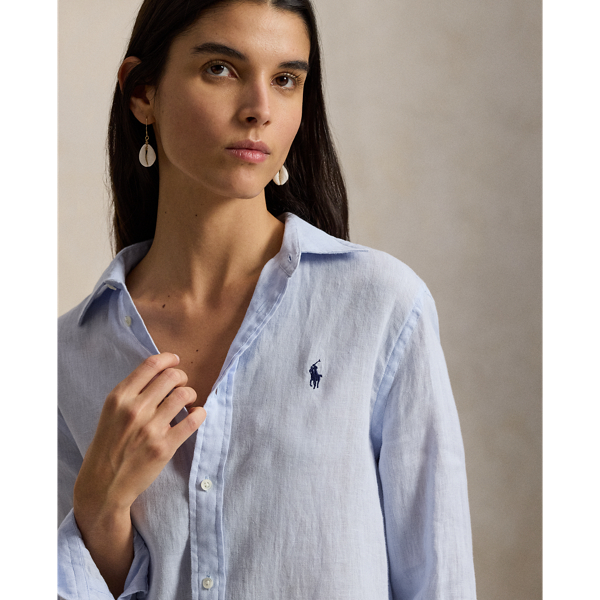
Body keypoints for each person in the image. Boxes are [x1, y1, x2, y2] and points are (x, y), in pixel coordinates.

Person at [57, 0, 477, 598]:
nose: (260, 109)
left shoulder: (382, 308)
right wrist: (100, 513)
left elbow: (440, 581)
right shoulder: (64, 360)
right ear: (142, 92)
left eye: (285, 80)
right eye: (220, 69)